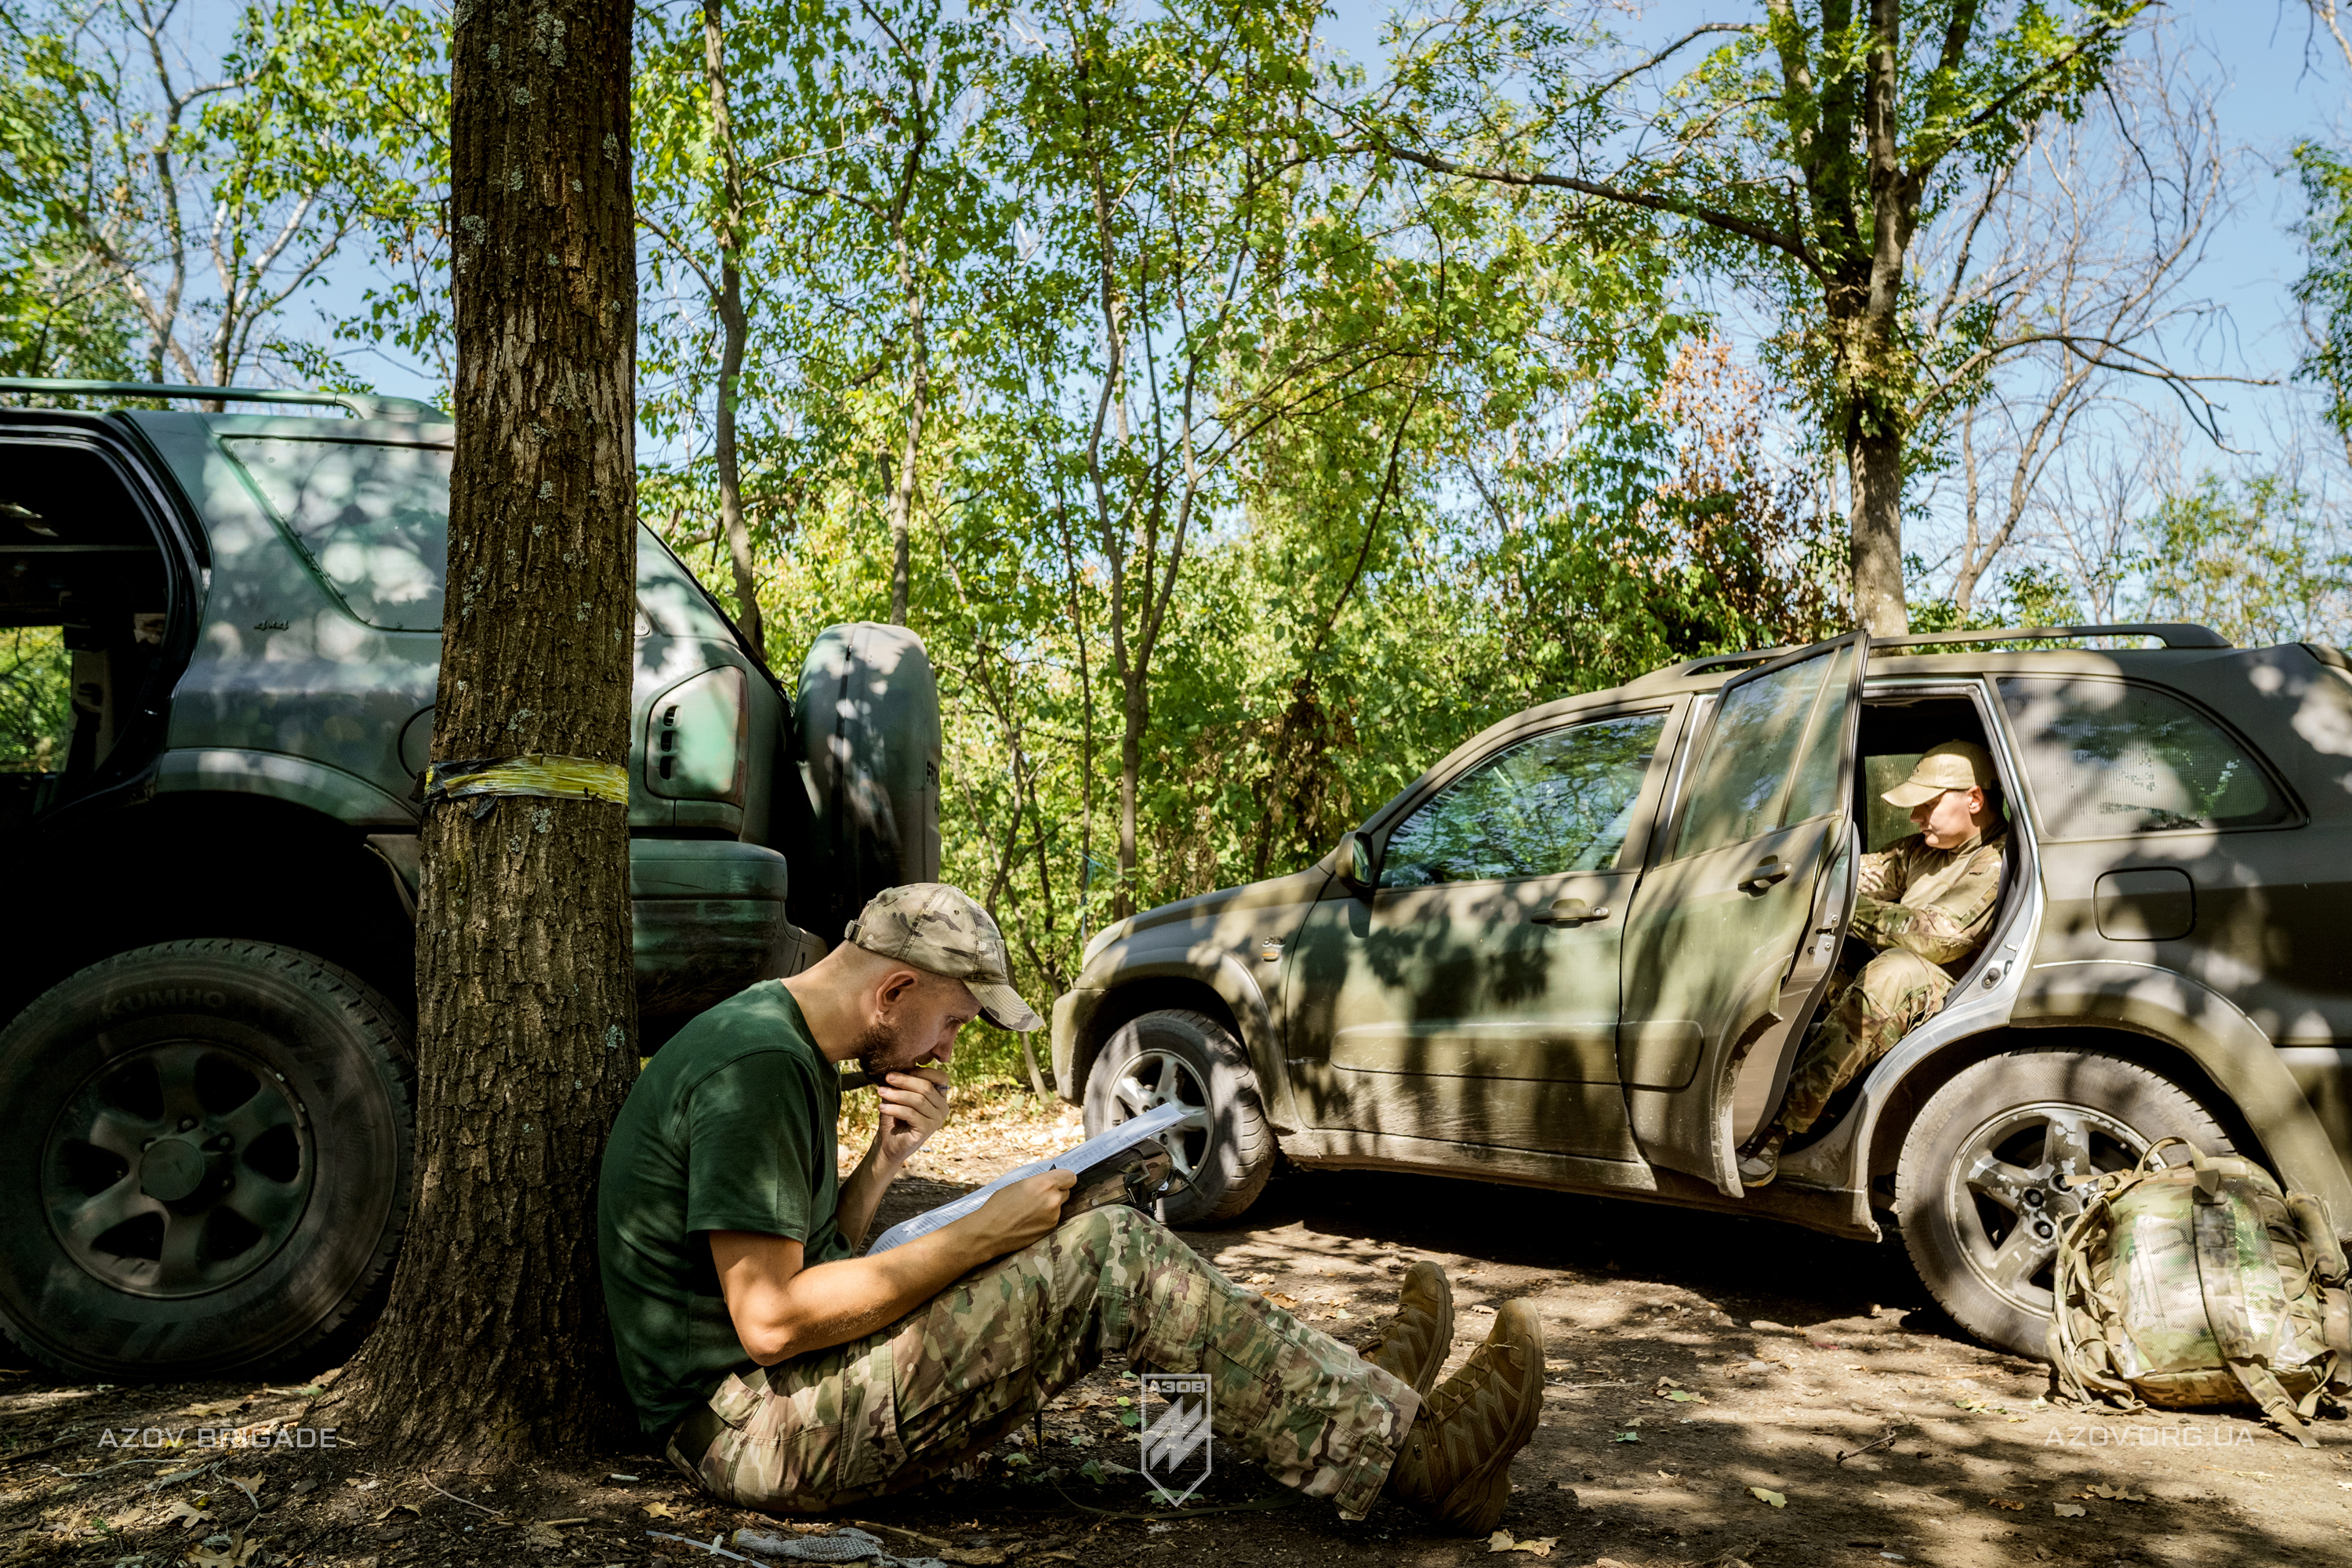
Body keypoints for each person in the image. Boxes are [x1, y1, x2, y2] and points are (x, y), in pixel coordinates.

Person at [596, 881, 1546, 1531]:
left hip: (779, 1401)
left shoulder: (784, 1040)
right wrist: (979, 1231)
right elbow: (768, 1320)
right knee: (1110, 1260)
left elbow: (816, 1255)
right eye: (954, 1022)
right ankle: (1416, 1457)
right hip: (750, 1434)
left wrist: (885, 1162)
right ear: (893, 989)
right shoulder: (759, 1065)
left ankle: (1357, 1395)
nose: (946, 1050)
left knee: (1103, 1229)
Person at [1740, 741, 2007, 1187]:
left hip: (1953, 990)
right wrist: (1798, 875)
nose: (1915, 817)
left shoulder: (1993, 860)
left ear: (1974, 800)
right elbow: (1855, 874)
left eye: (1926, 805)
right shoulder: (1924, 850)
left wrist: (1845, 909)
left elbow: (1939, 937)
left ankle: (1779, 1124)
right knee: (1808, 945)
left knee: (1892, 971)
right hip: (1895, 973)